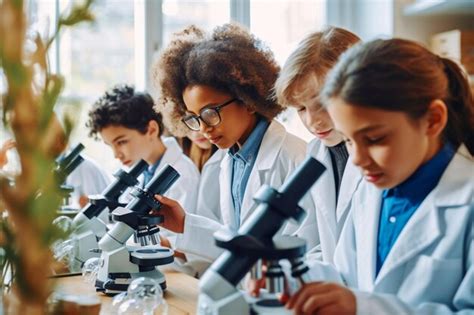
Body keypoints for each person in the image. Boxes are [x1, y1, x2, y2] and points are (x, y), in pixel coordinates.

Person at [287, 38, 474, 314]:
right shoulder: (372, 191)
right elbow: (346, 277)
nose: (358, 160)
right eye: (349, 140)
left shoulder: (466, 201)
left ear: (433, 119)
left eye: (374, 139)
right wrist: (292, 282)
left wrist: (364, 308)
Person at [151, 24, 314, 266]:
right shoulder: (230, 161)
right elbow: (238, 242)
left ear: (247, 100)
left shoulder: (295, 157)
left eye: (209, 113)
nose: (204, 128)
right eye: (194, 118)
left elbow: (309, 249)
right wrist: (184, 224)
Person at [274, 26, 362, 264]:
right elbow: (314, 242)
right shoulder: (315, 153)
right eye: (301, 109)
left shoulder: (380, 159)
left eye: (322, 103)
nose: (312, 121)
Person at [87, 84, 200, 233]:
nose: (116, 154)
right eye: (110, 145)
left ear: (151, 130)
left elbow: (179, 241)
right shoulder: (141, 172)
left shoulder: (183, 174)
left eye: (121, 142)